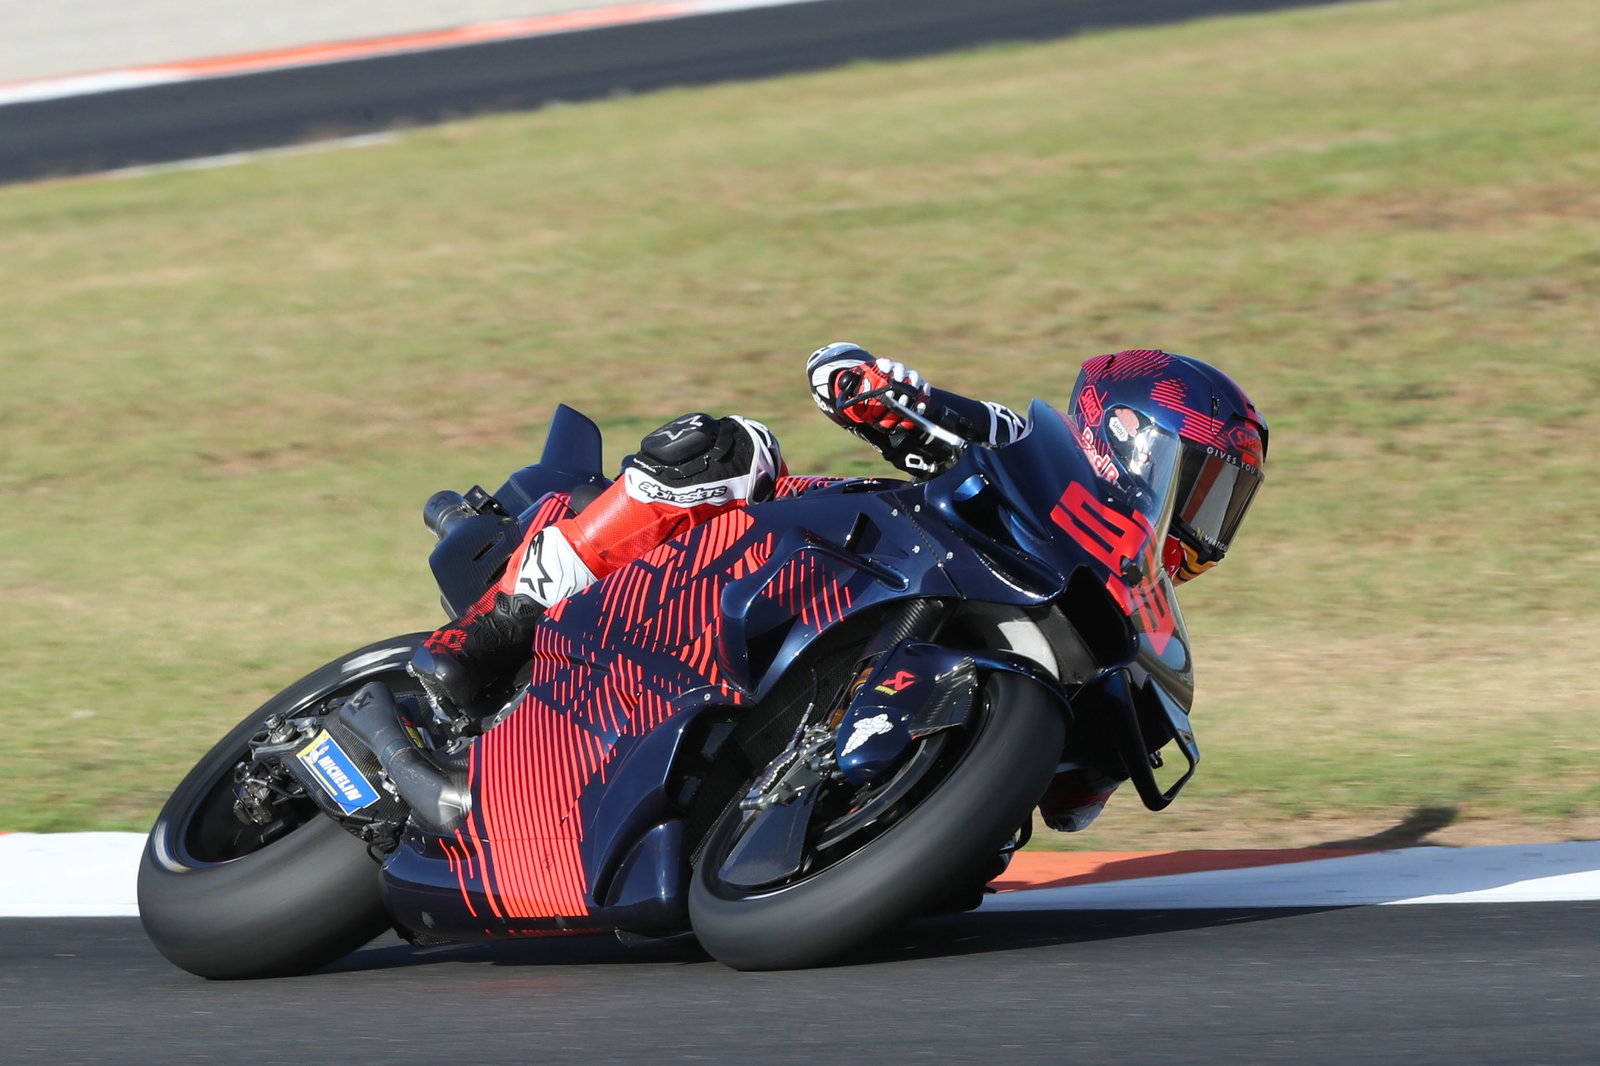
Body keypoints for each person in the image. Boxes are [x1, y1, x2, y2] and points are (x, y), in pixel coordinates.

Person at [408, 342, 1269, 791]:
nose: (1206, 523)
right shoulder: (1023, 443)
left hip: (879, 625)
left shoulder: (1111, 600)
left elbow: (1072, 804)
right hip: (804, 546)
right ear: (1130, 441)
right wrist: (880, 388)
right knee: (730, 445)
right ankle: (496, 628)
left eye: (1226, 502)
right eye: (1203, 487)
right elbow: (842, 376)